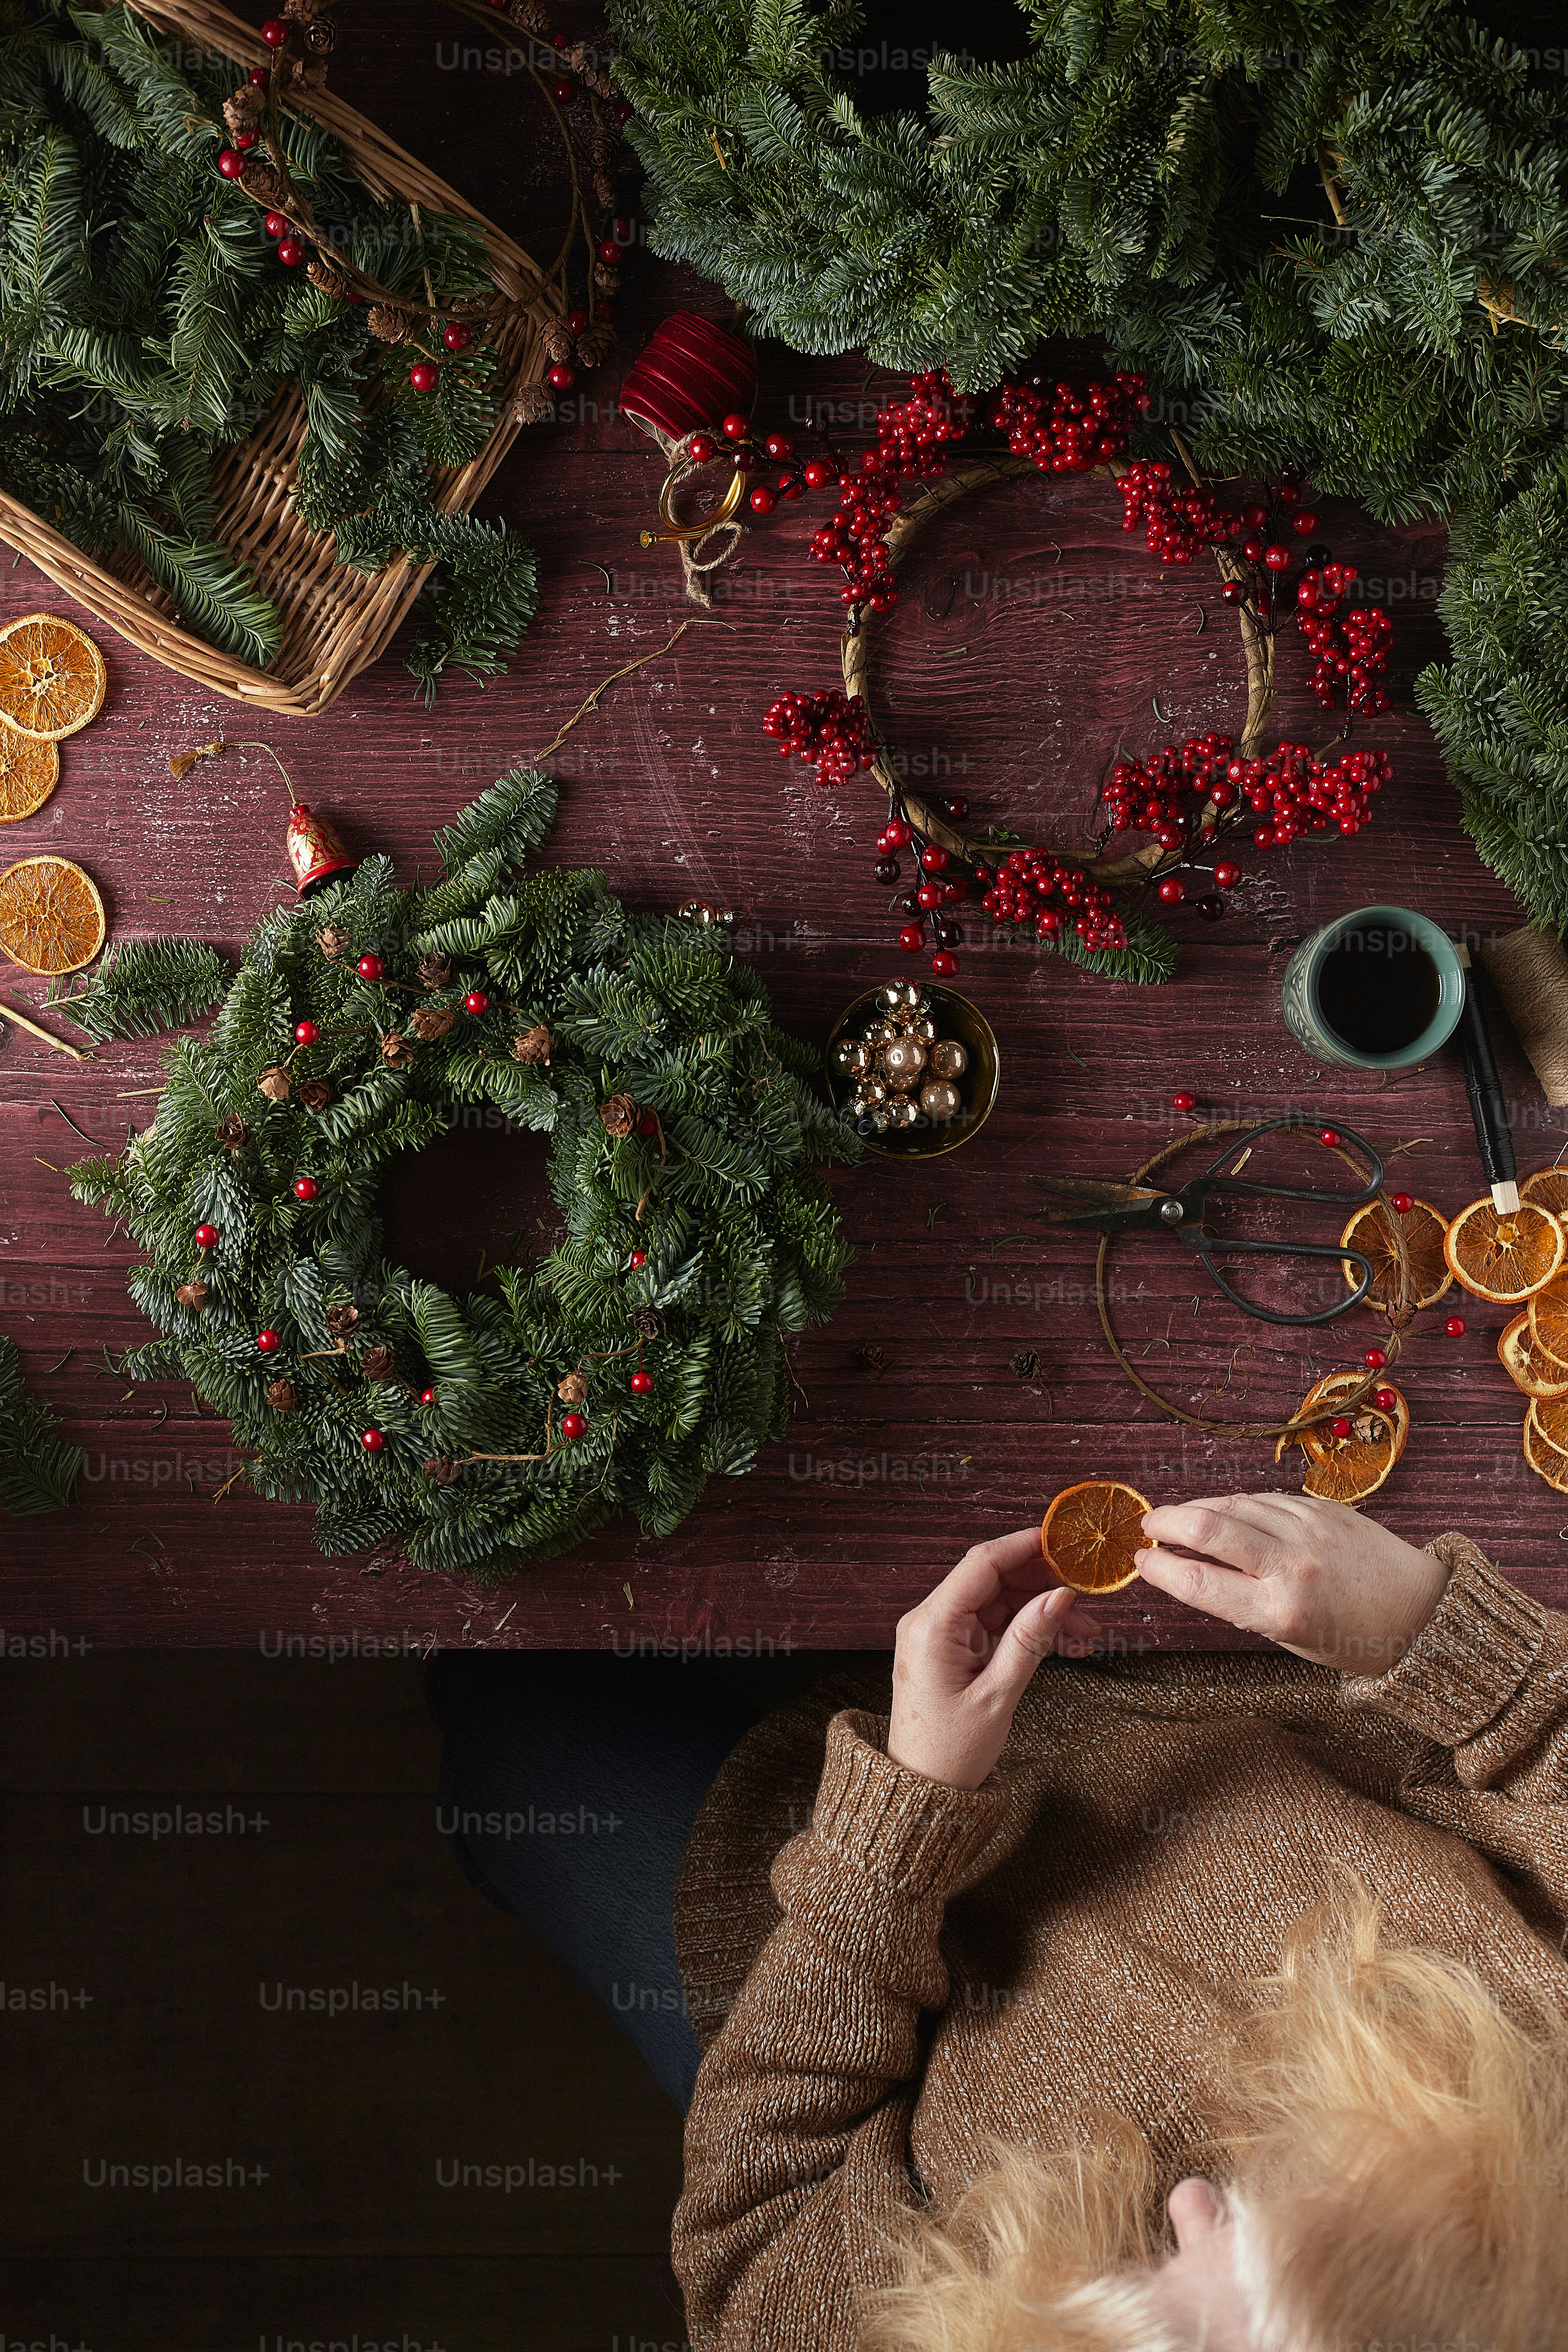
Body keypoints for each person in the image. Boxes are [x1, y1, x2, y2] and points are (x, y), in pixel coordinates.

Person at [432, 1494, 1568, 2349]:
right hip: (1247, 1686)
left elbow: (760, 2222)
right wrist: (1433, 1633)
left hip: (838, 1888)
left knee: (507, 1725)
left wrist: (897, 1822)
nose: (1183, 2199)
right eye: (1255, 2231)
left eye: (1154, 2270)